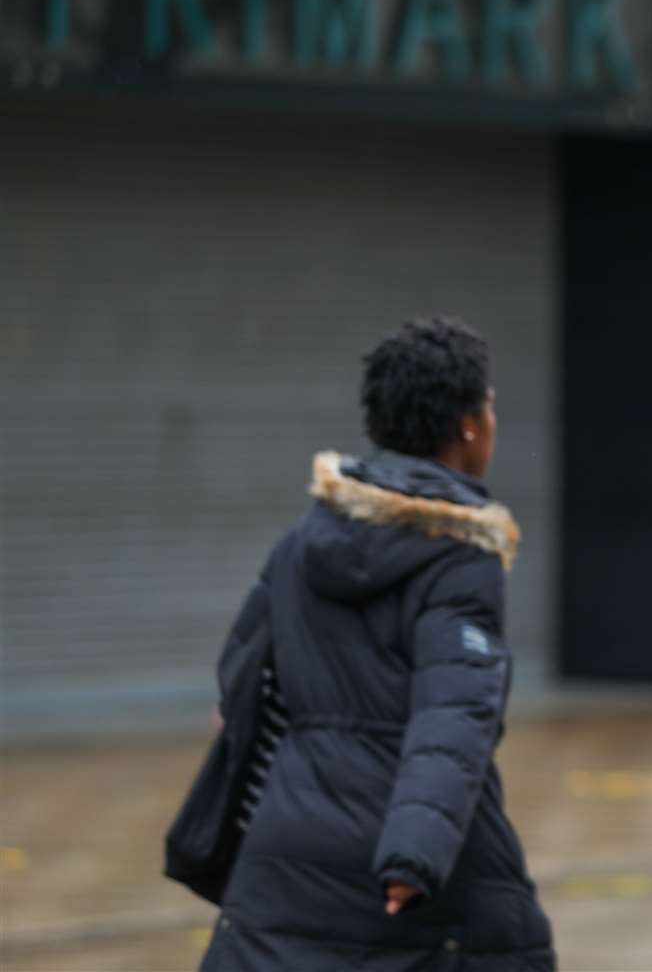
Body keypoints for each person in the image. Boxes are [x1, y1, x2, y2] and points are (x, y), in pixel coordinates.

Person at [199, 316, 556, 971]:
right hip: (400, 850)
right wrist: (414, 853)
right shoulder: (459, 557)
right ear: (470, 424)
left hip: (289, 841)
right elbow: (454, 716)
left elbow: (241, 675)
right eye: (492, 404)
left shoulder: (303, 539)